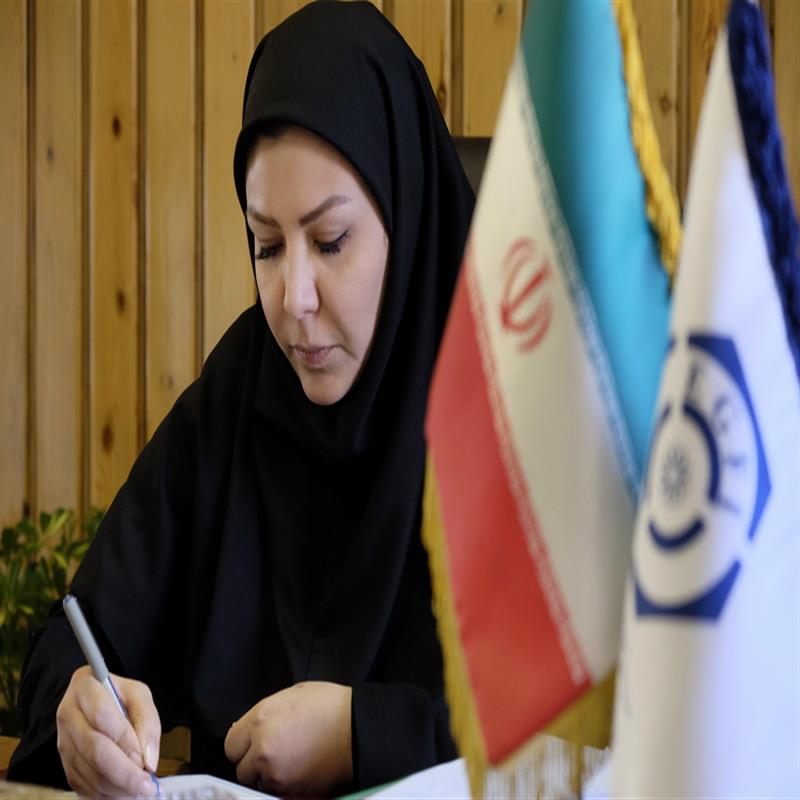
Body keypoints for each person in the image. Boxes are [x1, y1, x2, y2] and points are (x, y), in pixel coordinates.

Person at [7, 1, 474, 796]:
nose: (293, 297)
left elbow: (585, 730)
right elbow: (75, 640)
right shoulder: (239, 392)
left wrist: (361, 733)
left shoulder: (511, 405)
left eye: (330, 242)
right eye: (266, 245)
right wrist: (80, 710)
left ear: (408, 216)